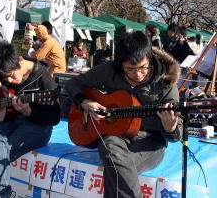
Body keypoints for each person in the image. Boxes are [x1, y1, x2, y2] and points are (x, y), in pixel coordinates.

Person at [65, 31, 183, 198]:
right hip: (115, 137)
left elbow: (177, 133)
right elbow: (73, 84)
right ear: (120, 64)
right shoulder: (109, 70)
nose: (138, 74)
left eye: (143, 67)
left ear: (149, 57)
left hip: (149, 144)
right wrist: (84, 101)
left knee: (116, 165)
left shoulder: (166, 83)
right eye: (130, 69)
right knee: (111, 145)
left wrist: (171, 129)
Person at [0, 40, 60, 198]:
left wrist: (29, 112)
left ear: (20, 60)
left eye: (12, 76)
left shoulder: (44, 80)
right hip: (10, 120)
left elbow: (54, 117)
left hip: (38, 127)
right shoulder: (3, 66)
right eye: (6, 78)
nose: (10, 81)